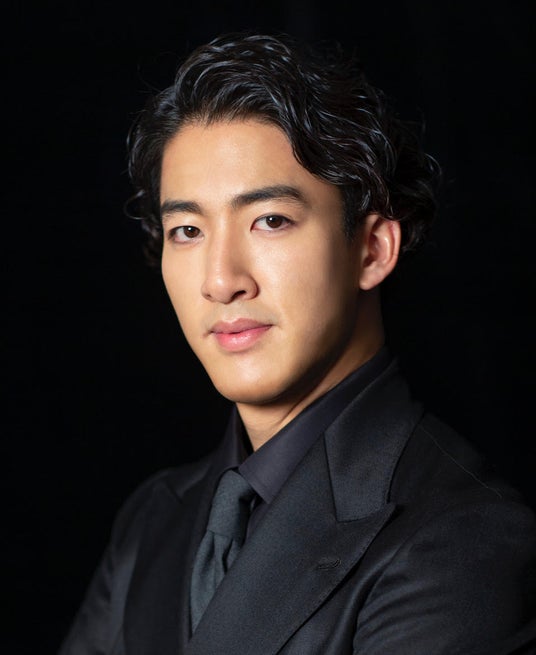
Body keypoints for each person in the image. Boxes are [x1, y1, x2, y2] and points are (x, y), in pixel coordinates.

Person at [59, 33, 536, 655]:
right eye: (187, 230)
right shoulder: (154, 518)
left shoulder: (464, 539)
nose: (221, 281)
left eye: (270, 220)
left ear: (372, 249)